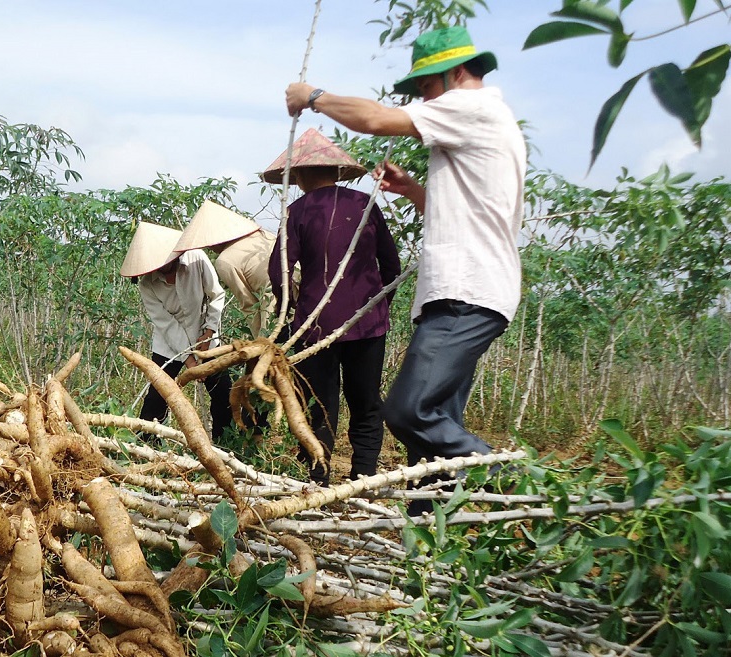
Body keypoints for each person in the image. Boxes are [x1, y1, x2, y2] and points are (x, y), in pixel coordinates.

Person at [284, 26, 526, 512]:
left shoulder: (473, 107)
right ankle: (423, 550)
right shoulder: (483, 123)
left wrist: (312, 97)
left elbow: (374, 119)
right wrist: (414, 190)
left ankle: (519, 486)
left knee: (408, 411)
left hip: (467, 295)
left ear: (457, 73)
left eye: (426, 88)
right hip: (464, 294)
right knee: (431, 436)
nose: (423, 101)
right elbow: (468, 208)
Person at [264, 128, 402, 486]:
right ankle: (364, 479)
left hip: (315, 324)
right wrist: (377, 307)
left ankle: (318, 478)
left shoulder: (296, 211)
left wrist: (289, 307)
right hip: (367, 322)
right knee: (366, 401)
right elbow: (392, 266)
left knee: (319, 405)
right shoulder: (364, 205)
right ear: (336, 171)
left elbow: (279, 269)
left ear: (300, 174)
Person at [119, 222, 233, 444]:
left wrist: (209, 331)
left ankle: (226, 445)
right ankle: (147, 448)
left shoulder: (197, 259)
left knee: (223, 394)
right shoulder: (147, 285)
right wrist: (190, 361)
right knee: (157, 398)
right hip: (167, 345)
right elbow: (166, 324)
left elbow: (216, 295)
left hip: (205, 337)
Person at [173, 200, 276, 340]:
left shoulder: (225, 261)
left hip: (274, 299)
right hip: (305, 289)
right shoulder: (264, 236)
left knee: (272, 350)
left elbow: (249, 304)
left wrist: (260, 340)